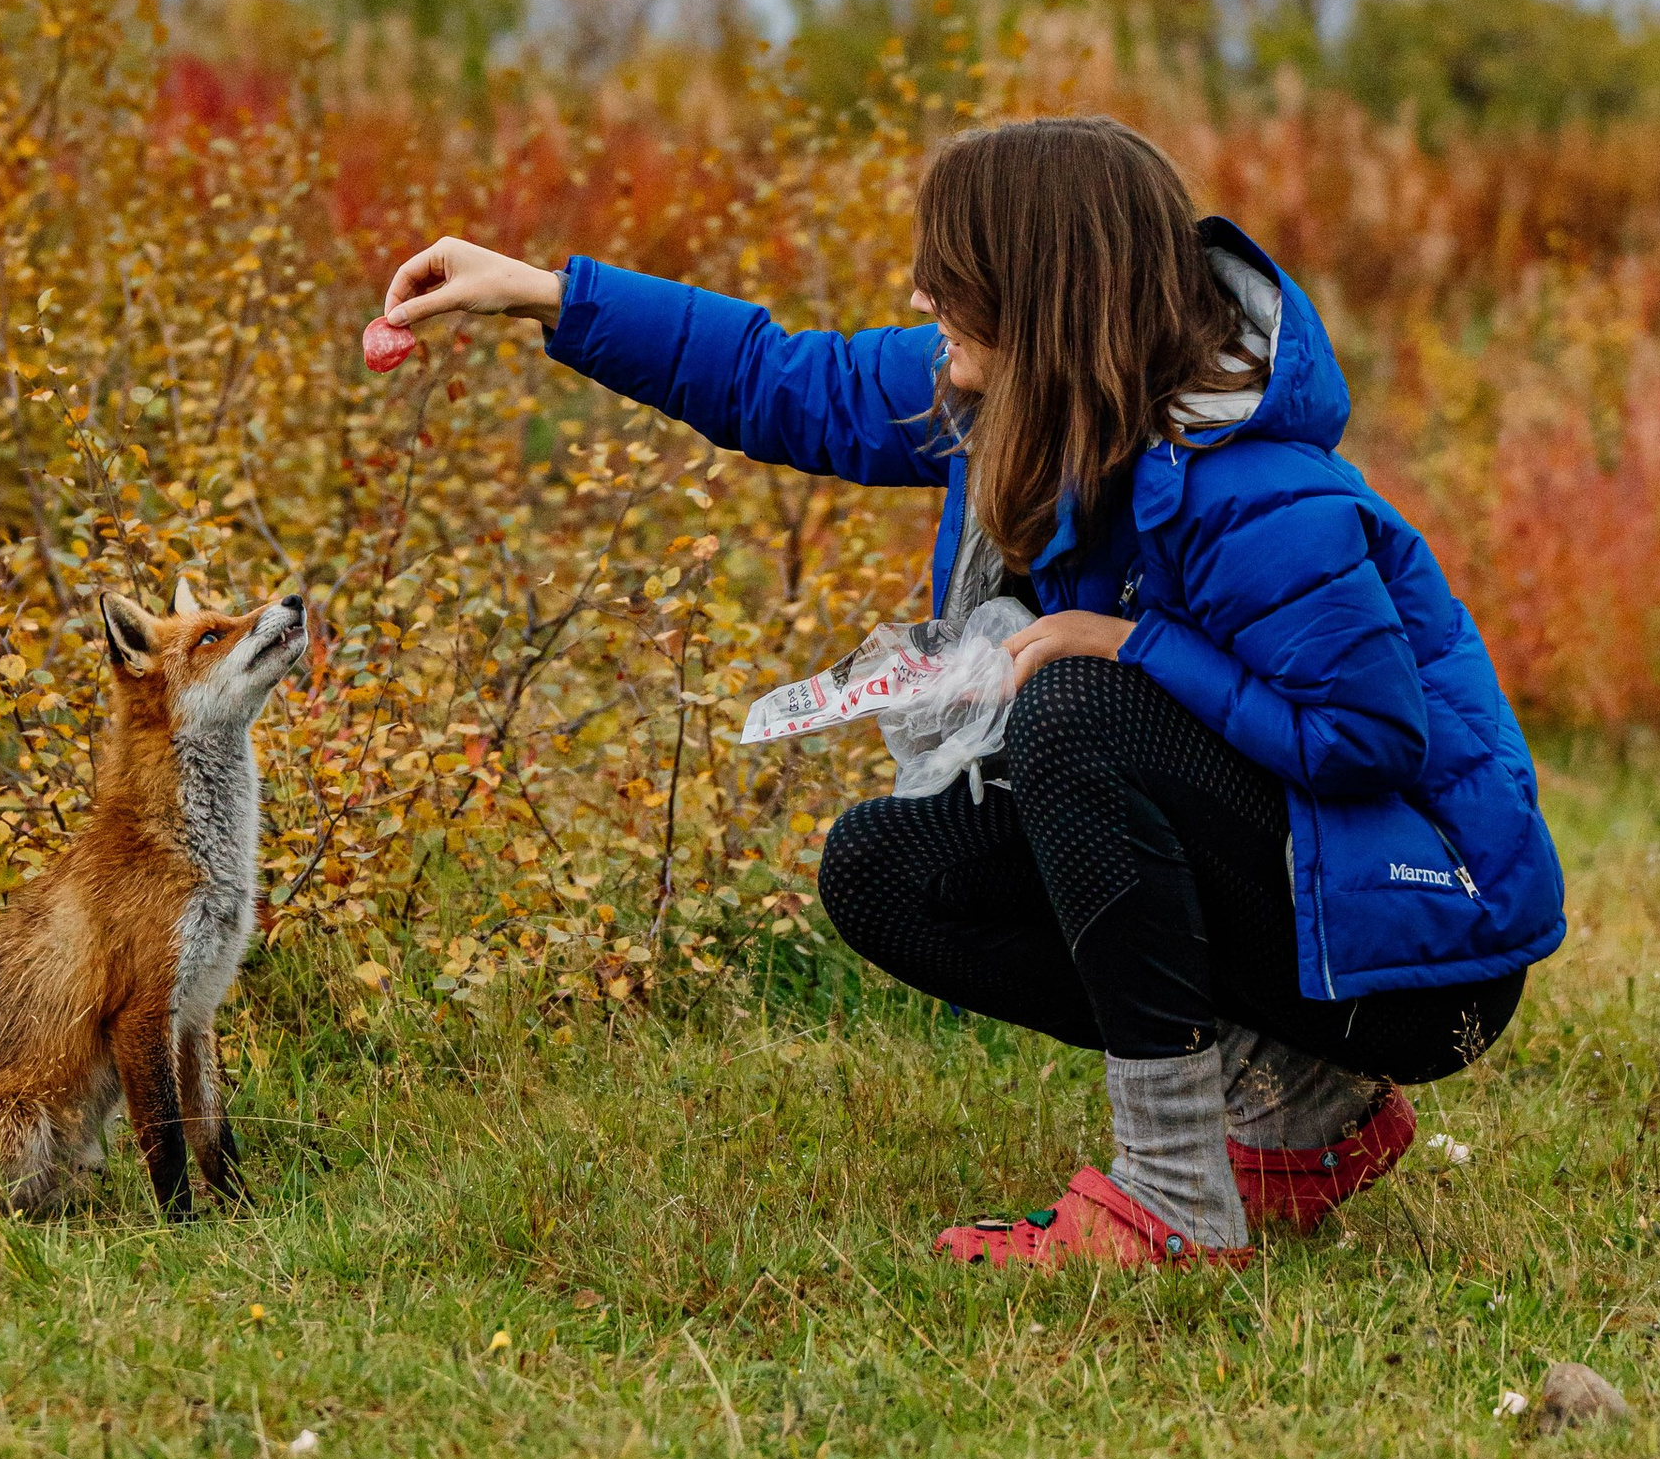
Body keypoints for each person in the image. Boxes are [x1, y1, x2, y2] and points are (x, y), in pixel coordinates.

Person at [379, 114, 1563, 1270]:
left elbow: (1365, 738)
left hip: (1414, 957)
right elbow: (772, 377)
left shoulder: (1251, 487)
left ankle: (1174, 1197)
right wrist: (542, 293)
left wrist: (1129, 644)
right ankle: (1301, 1106)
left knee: (1076, 708)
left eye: (950, 273)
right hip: (1300, 915)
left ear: (1039, 295)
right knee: (887, 871)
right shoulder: (1016, 400)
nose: (919, 293)